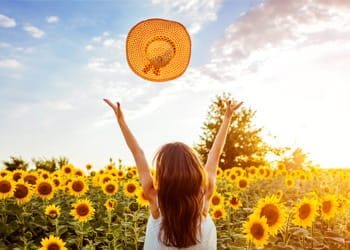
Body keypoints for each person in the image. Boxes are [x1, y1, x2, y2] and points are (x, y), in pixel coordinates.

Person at [103, 98, 243, 250]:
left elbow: (138, 153)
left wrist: (121, 121)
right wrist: (227, 118)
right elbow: (215, 155)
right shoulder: (203, 198)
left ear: (164, 176)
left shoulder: (156, 200)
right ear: (194, 172)